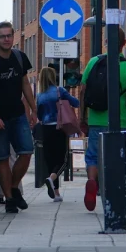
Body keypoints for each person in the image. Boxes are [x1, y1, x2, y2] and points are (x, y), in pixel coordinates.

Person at [0, 21, 38, 214]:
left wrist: (34, 110)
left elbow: (25, 84)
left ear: (13, 36)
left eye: (9, 35)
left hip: (18, 114)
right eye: (2, 36)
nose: (6, 39)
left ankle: (12, 187)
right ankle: (10, 200)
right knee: (3, 158)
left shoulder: (20, 58)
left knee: (27, 151)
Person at [77, 29, 126, 212]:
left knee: (93, 156)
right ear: (125, 42)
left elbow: (82, 91)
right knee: (120, 157)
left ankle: (91, 182)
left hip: (96, 118)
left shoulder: (93, 62)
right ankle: (115, 189)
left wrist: (83, 117)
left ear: (105, 41)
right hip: (120, 121)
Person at [34, 66, 80, 202]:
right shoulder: (59, 91)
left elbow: (39, 115)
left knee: (50, 160)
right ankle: (51, 179)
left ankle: (56, 193)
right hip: (59, 128)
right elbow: (76, 103)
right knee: (63, 161)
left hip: (45, 129)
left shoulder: (39, 95)